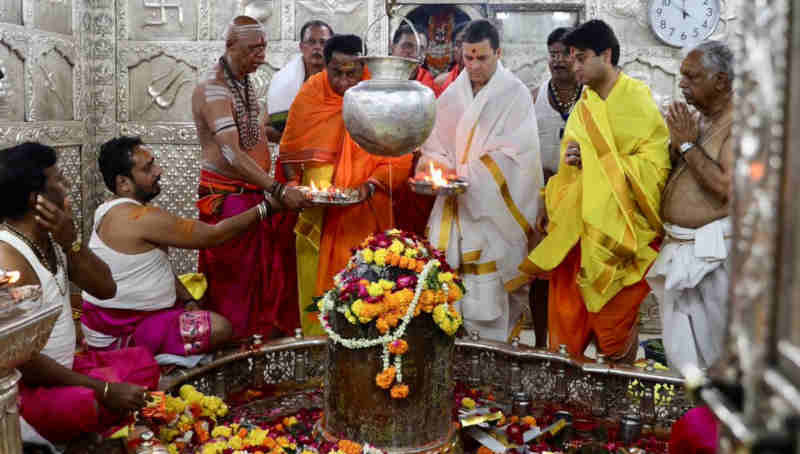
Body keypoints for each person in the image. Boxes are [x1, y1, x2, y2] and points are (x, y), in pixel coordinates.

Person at [521, 20, 671, 362]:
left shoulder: (637, 100)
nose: (574, 66)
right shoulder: (584, 104)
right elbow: (568, 172)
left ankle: (616, 407)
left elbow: (654, 170)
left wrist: (599, 162)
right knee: (567, 341)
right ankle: (570, 410)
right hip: (577, 237)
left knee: (612, 338)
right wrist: (573, 164)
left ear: (605, 55)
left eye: (581, 57)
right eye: (570, 58)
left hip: (620, 242)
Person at [0, 142, 159, 447]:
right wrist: (103, 390)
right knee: (86, 405)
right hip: (26, 387)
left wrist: (72, 243)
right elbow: (26, 363)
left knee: (144, 364)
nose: (68, 184)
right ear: (38, 201)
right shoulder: (9, 256)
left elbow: (106, 288)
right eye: (59, 179)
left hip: (65, 371)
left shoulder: (51, 239)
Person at [79, 136, 283, 357]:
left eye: (154, 163)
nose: (159, 171)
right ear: (123, 183)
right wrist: (268, 207)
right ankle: (136, 355)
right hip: (121, 330)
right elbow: (214, 235)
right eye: (148, 168)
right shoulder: (137, 217)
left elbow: (157, 265)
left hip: (128, 319)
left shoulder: (109, 208)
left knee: (201, 306)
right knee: (221, 328)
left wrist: (187, 299)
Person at [280, 34, 412, 335]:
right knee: (318, 289)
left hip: (366, 210)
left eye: (351, 72)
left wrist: (369, 185)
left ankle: (368, 351)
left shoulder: (378, 96)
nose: (343, 81)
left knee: (366, 284)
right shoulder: (311, 94)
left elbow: (399, 155)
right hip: (317, 212)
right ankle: (316, 351)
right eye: (336, 72)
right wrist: (292, 184)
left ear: (362, 67)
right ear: (324, 66)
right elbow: (289, 149)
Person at [419, 20, 542, 342]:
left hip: (494, 218)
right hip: (453, 212)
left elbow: (518, 158)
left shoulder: (515, 95)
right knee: (450, 298)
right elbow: (434, 145)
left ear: (498, 53)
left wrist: (467, 175)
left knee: (488, 305)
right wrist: (440, 168)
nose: (473, 66)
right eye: (468, 59)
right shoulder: (451, 95)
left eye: (482, 58)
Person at [191, 16, 311, 340]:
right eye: (253, 49)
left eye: (263, 48)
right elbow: (230, 153)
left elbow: (251, 136)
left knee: (259, 284)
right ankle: (233, 357)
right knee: (235, 284)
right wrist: (277, 189)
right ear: (231, 46)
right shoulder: (214, 89)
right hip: (229, 200)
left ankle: (255, 351)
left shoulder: (244, 82)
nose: (261, 56)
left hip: (253, 194)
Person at [646, 41, 734, 371]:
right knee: (682, 357)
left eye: (692, 77)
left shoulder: (738, 125)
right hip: (680, 249)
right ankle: (691, 419)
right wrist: (677, 144)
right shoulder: (700, 119)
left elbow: (728, 189)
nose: (682, 84)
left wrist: (685, 143)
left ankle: (716, 419)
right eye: (682, 76)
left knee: (715, 357)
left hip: (714, 257)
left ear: (721, 81)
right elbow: (683, 169)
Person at [528, 26, 582, 349]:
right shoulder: (535, 96)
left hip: (579, 196)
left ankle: (571, 345)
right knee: (540, 272)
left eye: (564, 53)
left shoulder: (590, 96)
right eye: (553, 54)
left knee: (574, 271)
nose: (558, 61)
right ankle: (538, 342)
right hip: (542, 197)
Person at [265, 20, 333, 143]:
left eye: (323, 42)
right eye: (311, 42)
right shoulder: (283, 82)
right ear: (301, 47)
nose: (317, 47)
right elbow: (263, 126)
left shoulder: (341, 80)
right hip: (295, 153)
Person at [391, 24, 438, 95]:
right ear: (392, 48)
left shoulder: (429, 86)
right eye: (407, 46)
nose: (415, 54)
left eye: (421, 49)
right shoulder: (375, 77)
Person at [434, 21, 467, 94]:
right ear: (452, 49)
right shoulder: (441, 82)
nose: (464, 49)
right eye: (459, 44)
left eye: (469, 43)